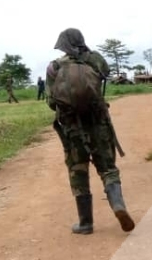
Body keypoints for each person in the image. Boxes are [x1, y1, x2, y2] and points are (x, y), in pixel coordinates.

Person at [46, 28, 135, 235]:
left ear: (63, 44)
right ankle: (118, 206)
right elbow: (104, 77)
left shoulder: (54, 67)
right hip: (99, 124)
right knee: (108, 168)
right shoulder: (97, 60)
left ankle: (85, 223)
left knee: (78, 170)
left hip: (72, 128)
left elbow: (52, 102)